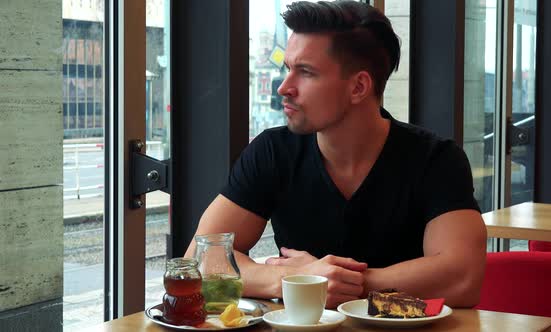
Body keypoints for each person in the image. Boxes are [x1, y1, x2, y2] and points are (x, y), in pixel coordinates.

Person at [185, 0, 487, 309]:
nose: (284, 87)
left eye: (305, 72)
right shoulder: (272, 152)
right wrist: (291, 278)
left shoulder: (435, 159)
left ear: (358, 87)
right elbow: (200, 259)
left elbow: (462, 278)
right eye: (288, 69)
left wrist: (335, 281)